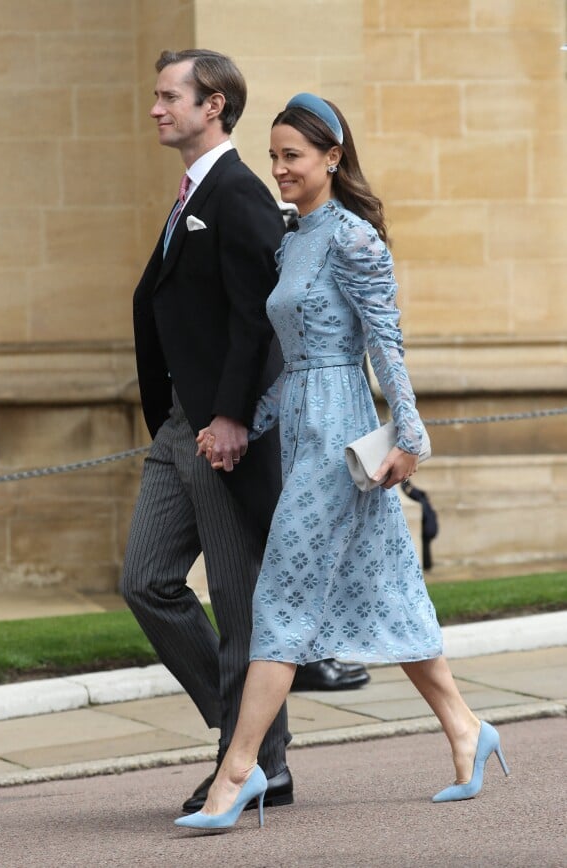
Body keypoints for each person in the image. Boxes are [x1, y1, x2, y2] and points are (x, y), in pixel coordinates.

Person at [176, 93, 510, 832]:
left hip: (341, 441)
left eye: (292, 155)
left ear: (332, 157)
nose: (279, 169)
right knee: (387, 587)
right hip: (300, 428)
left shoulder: (355, 239)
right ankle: (466, 728)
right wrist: (243, 422)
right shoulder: (294, 239)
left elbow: (386, 345)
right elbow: (295, 360)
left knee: (280, 596)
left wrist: (410, 436)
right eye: (273, 156)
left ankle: (239, 772)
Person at [120, 51, 367, 817]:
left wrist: (230, 415)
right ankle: (245, 741)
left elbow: (261, 317)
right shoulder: (195, 190)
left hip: (221, 427)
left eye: (170, 97)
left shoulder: (237, 193)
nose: (157, 108)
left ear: (213, 104)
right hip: (177, 424)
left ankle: (263, 763)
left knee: (237, 597)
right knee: (145, 581)